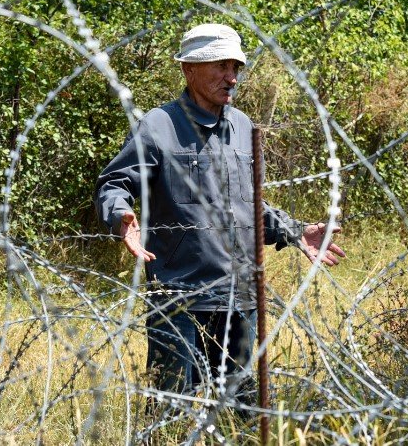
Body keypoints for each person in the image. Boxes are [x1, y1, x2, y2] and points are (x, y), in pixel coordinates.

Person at [95, 23, 345, 407]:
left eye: (236, 68)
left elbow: (247, 207)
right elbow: (113, 184)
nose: (231, 78)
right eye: (221, 66)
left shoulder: (244, 128)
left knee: (244, 411)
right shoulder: (158, 126)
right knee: (170, 410)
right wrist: (121, 215)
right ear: (188, 69)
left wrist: (294, 232)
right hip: (179, 298)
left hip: (240, 297)